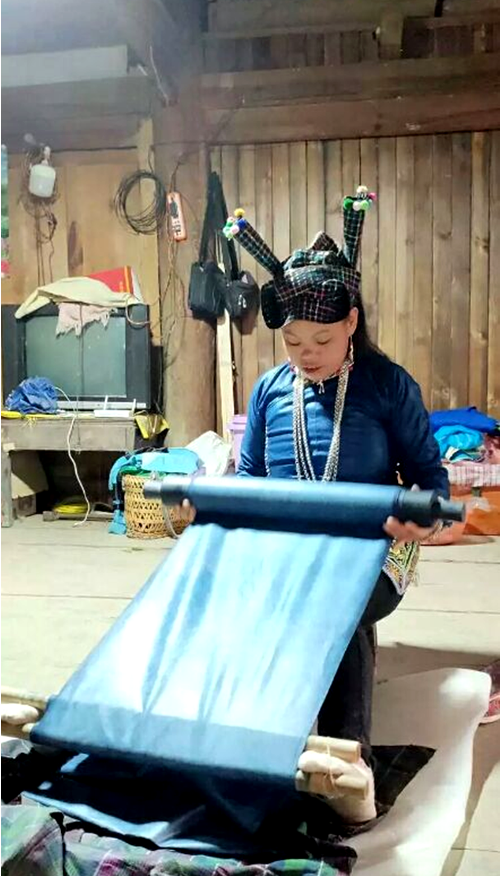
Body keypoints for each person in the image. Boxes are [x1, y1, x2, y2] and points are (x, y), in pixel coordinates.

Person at [183, 188, 449, 823]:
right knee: (226, 601)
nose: (306, 355)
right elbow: (249, 483)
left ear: (351, 323)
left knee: (337, 606)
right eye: (293, 342)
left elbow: (431, 482)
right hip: (288, 547)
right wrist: (211, 511)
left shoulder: (388, 386)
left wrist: (418, 513)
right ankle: (244, 745)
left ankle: (344, 762)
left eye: (322, 340)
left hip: (374, 548)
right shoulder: (271, 391)